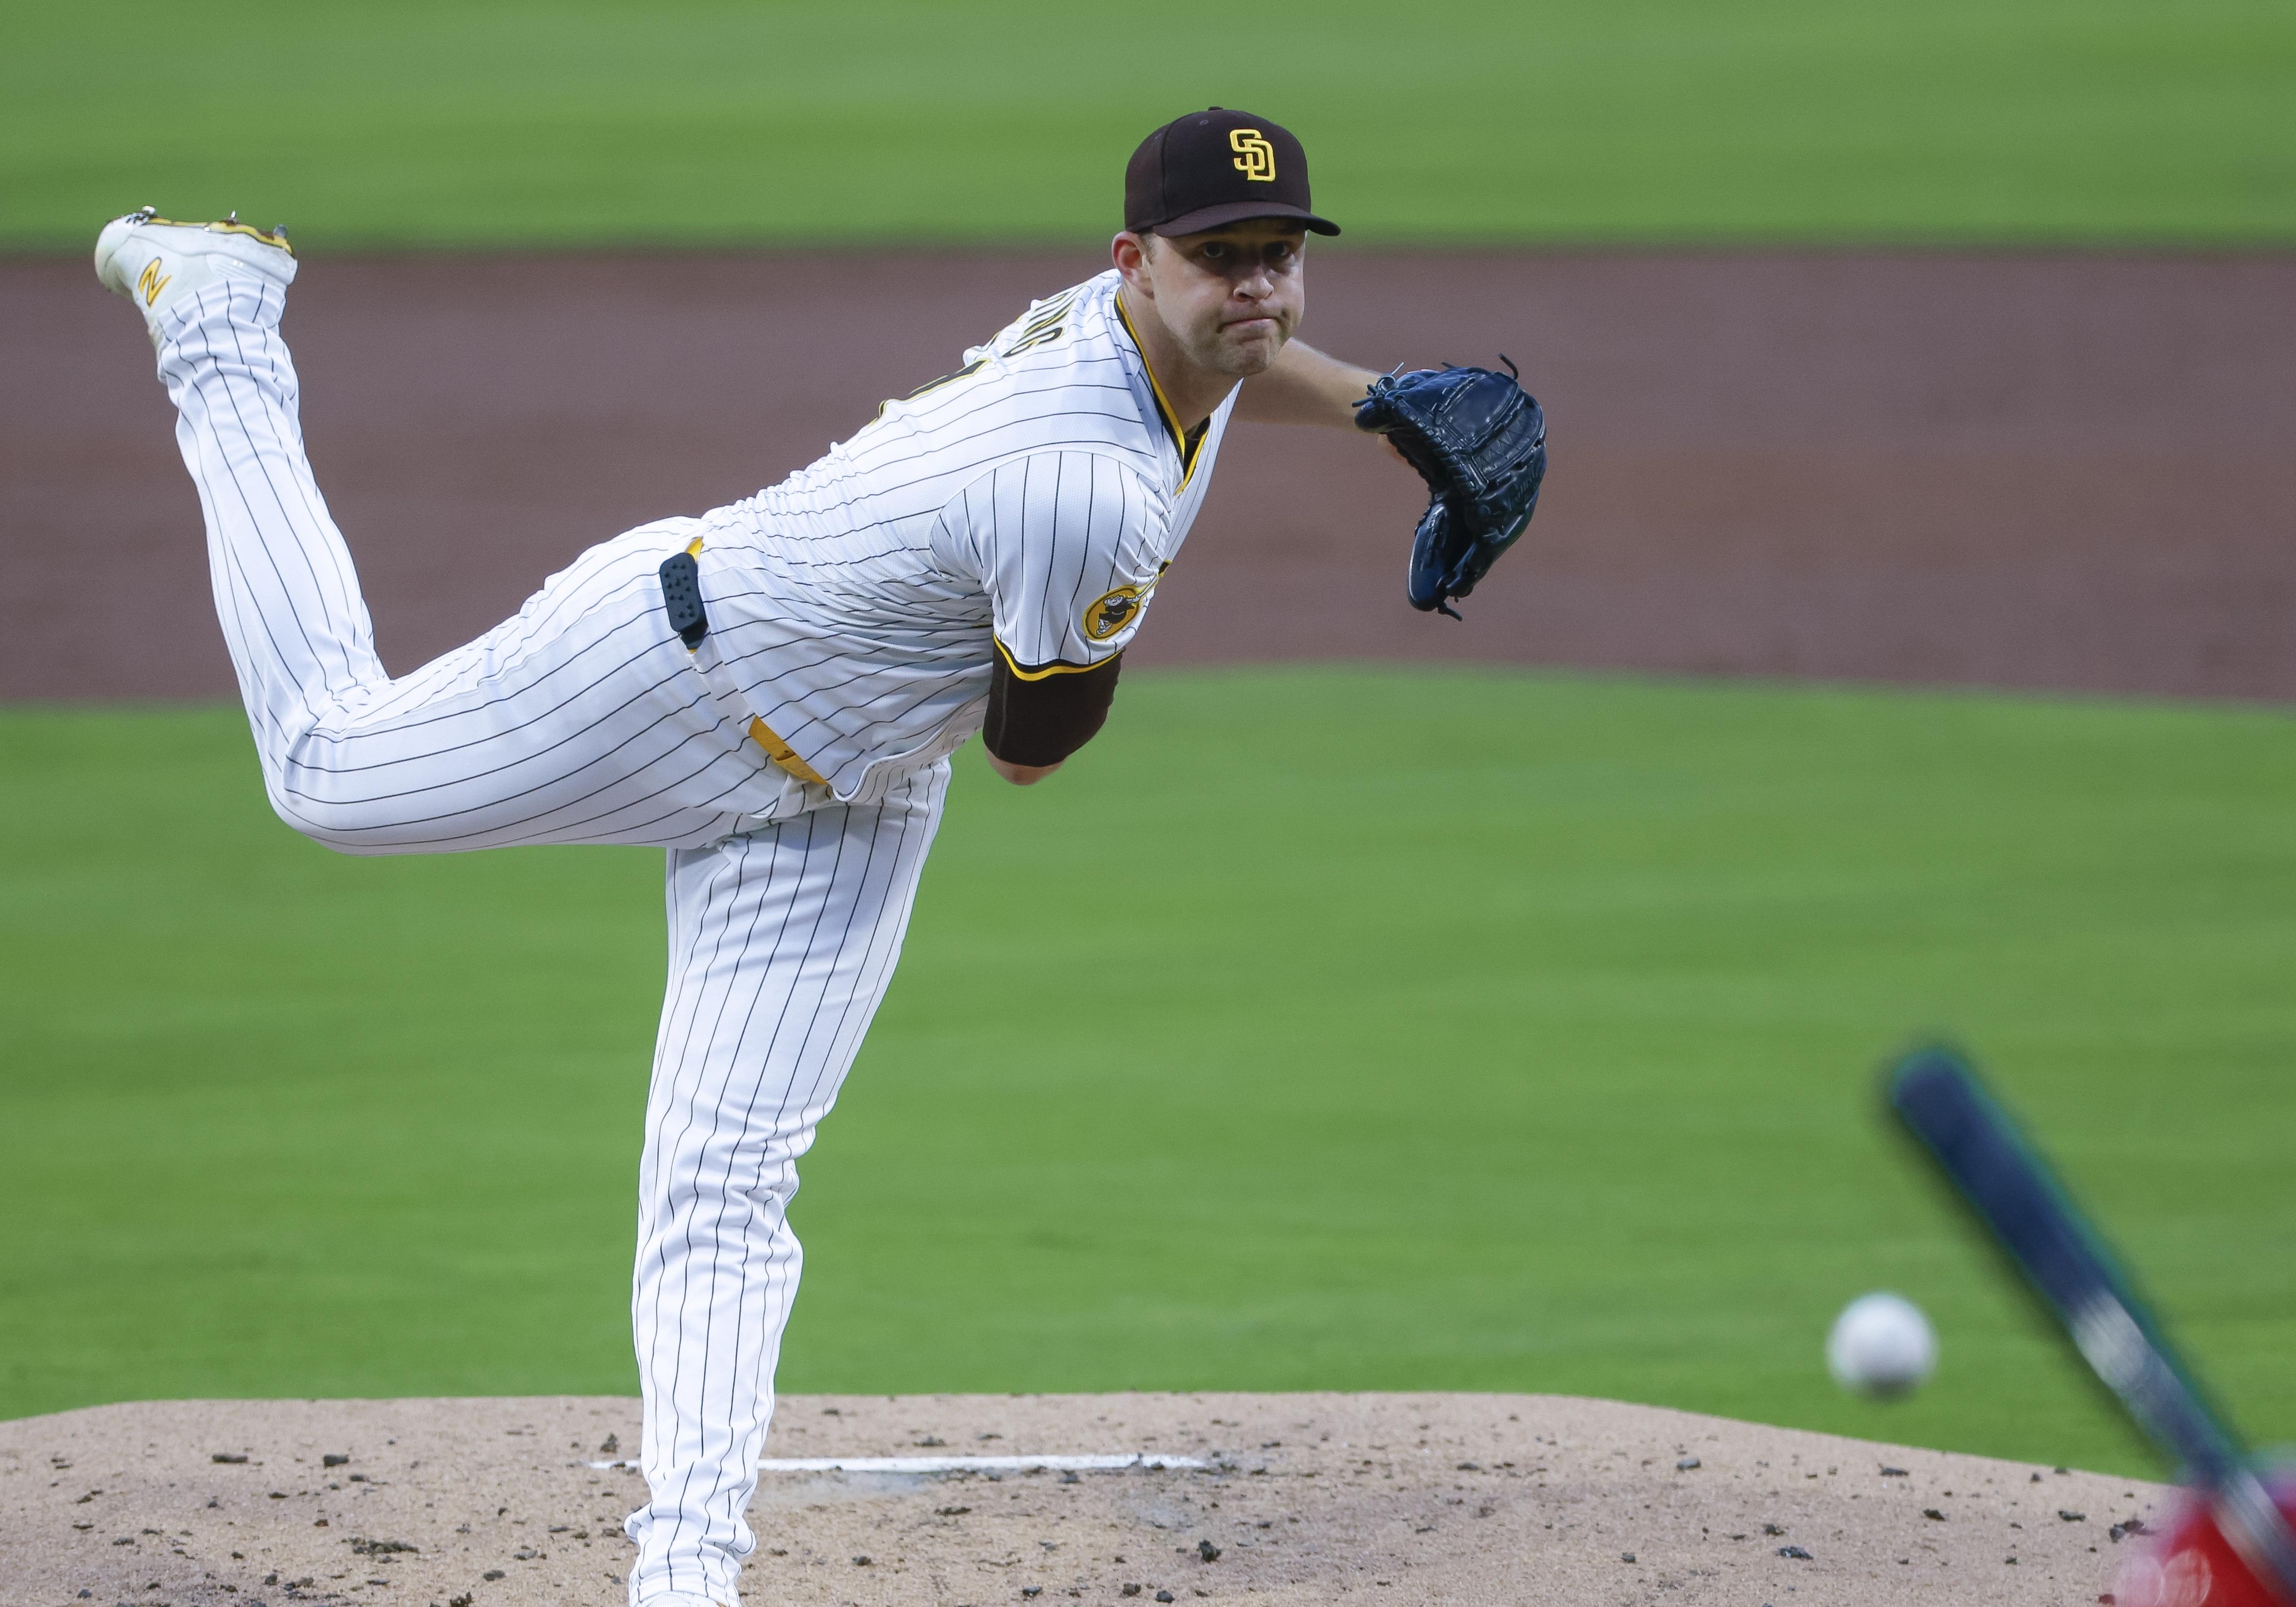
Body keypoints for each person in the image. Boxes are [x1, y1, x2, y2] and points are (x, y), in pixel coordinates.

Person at [95, 107, 1392, 1607]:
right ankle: (222, 327)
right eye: (1219, 259)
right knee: (324, 769)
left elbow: (1240, 376)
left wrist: (1391, 408)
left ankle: (686, 1570)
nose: (1256, 291)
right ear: (1133, 264)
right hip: (669, 677)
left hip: (856, 783)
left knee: (721, 1183)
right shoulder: (1080, 479)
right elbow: (1034, 750)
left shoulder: (1160, 338)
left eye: (1279, 257)